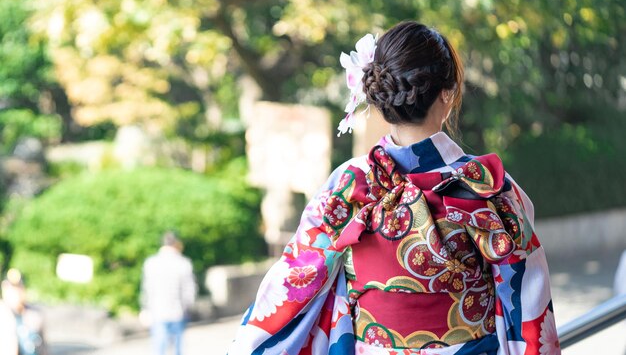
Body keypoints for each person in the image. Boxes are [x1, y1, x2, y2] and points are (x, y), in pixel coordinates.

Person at [228, 21, 560, 355]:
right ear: (448, 92)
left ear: (379, 94)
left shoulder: (349, 183)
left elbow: (295, 280)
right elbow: (528, 292)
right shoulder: (486, 184)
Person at [141, 231, 197, 355]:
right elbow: (189, 290)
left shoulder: (151, 263)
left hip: (158, 311)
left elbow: (147, 289)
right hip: (178, 311)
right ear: (176, 244)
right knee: (178, 349)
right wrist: (188, 308)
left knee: (159, 348)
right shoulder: (184, 263)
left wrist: (145, 308)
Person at [0, 269, 47, 355]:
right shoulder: (2, 313)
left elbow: (43, 348)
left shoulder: (35, 315)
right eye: (10, 289)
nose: (14, 293)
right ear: (4, 289)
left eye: (18, 288)